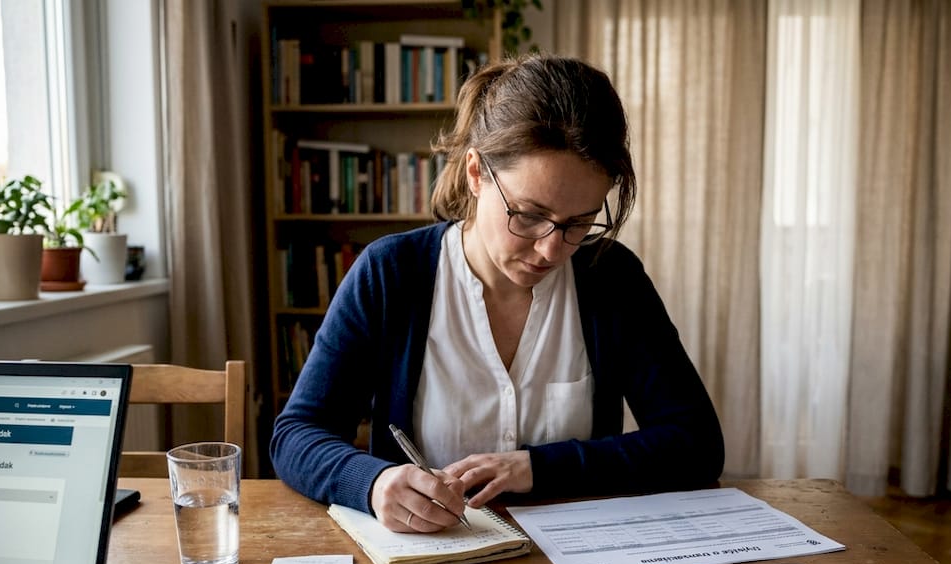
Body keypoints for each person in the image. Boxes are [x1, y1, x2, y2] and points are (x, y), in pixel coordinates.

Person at [271, 54, 724, 533]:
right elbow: (297, 435)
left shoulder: (611, 277)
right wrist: (374, 481)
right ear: (476, 174)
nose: (551, 249)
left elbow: (695, 444)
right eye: (528, 215)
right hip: (428, 563)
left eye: (579, 222)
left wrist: (535, 467)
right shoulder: (391, 274)